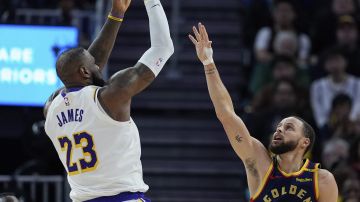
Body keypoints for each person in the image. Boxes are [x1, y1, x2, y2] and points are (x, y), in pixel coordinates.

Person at [189, 23, 338, 202]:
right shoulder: (260, 163)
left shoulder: (321, 179)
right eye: (279, 126)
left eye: (288, 127)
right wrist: (208, 63)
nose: (279, 129)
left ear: (304, 142)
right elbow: (226, 115)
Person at [44, 0, 174, 201]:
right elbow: (163, 48)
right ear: (85, 71)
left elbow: (86, 69)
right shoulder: (109, 97)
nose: (99, 66)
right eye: (94, 66)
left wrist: (116, 14)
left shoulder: (51, 107)